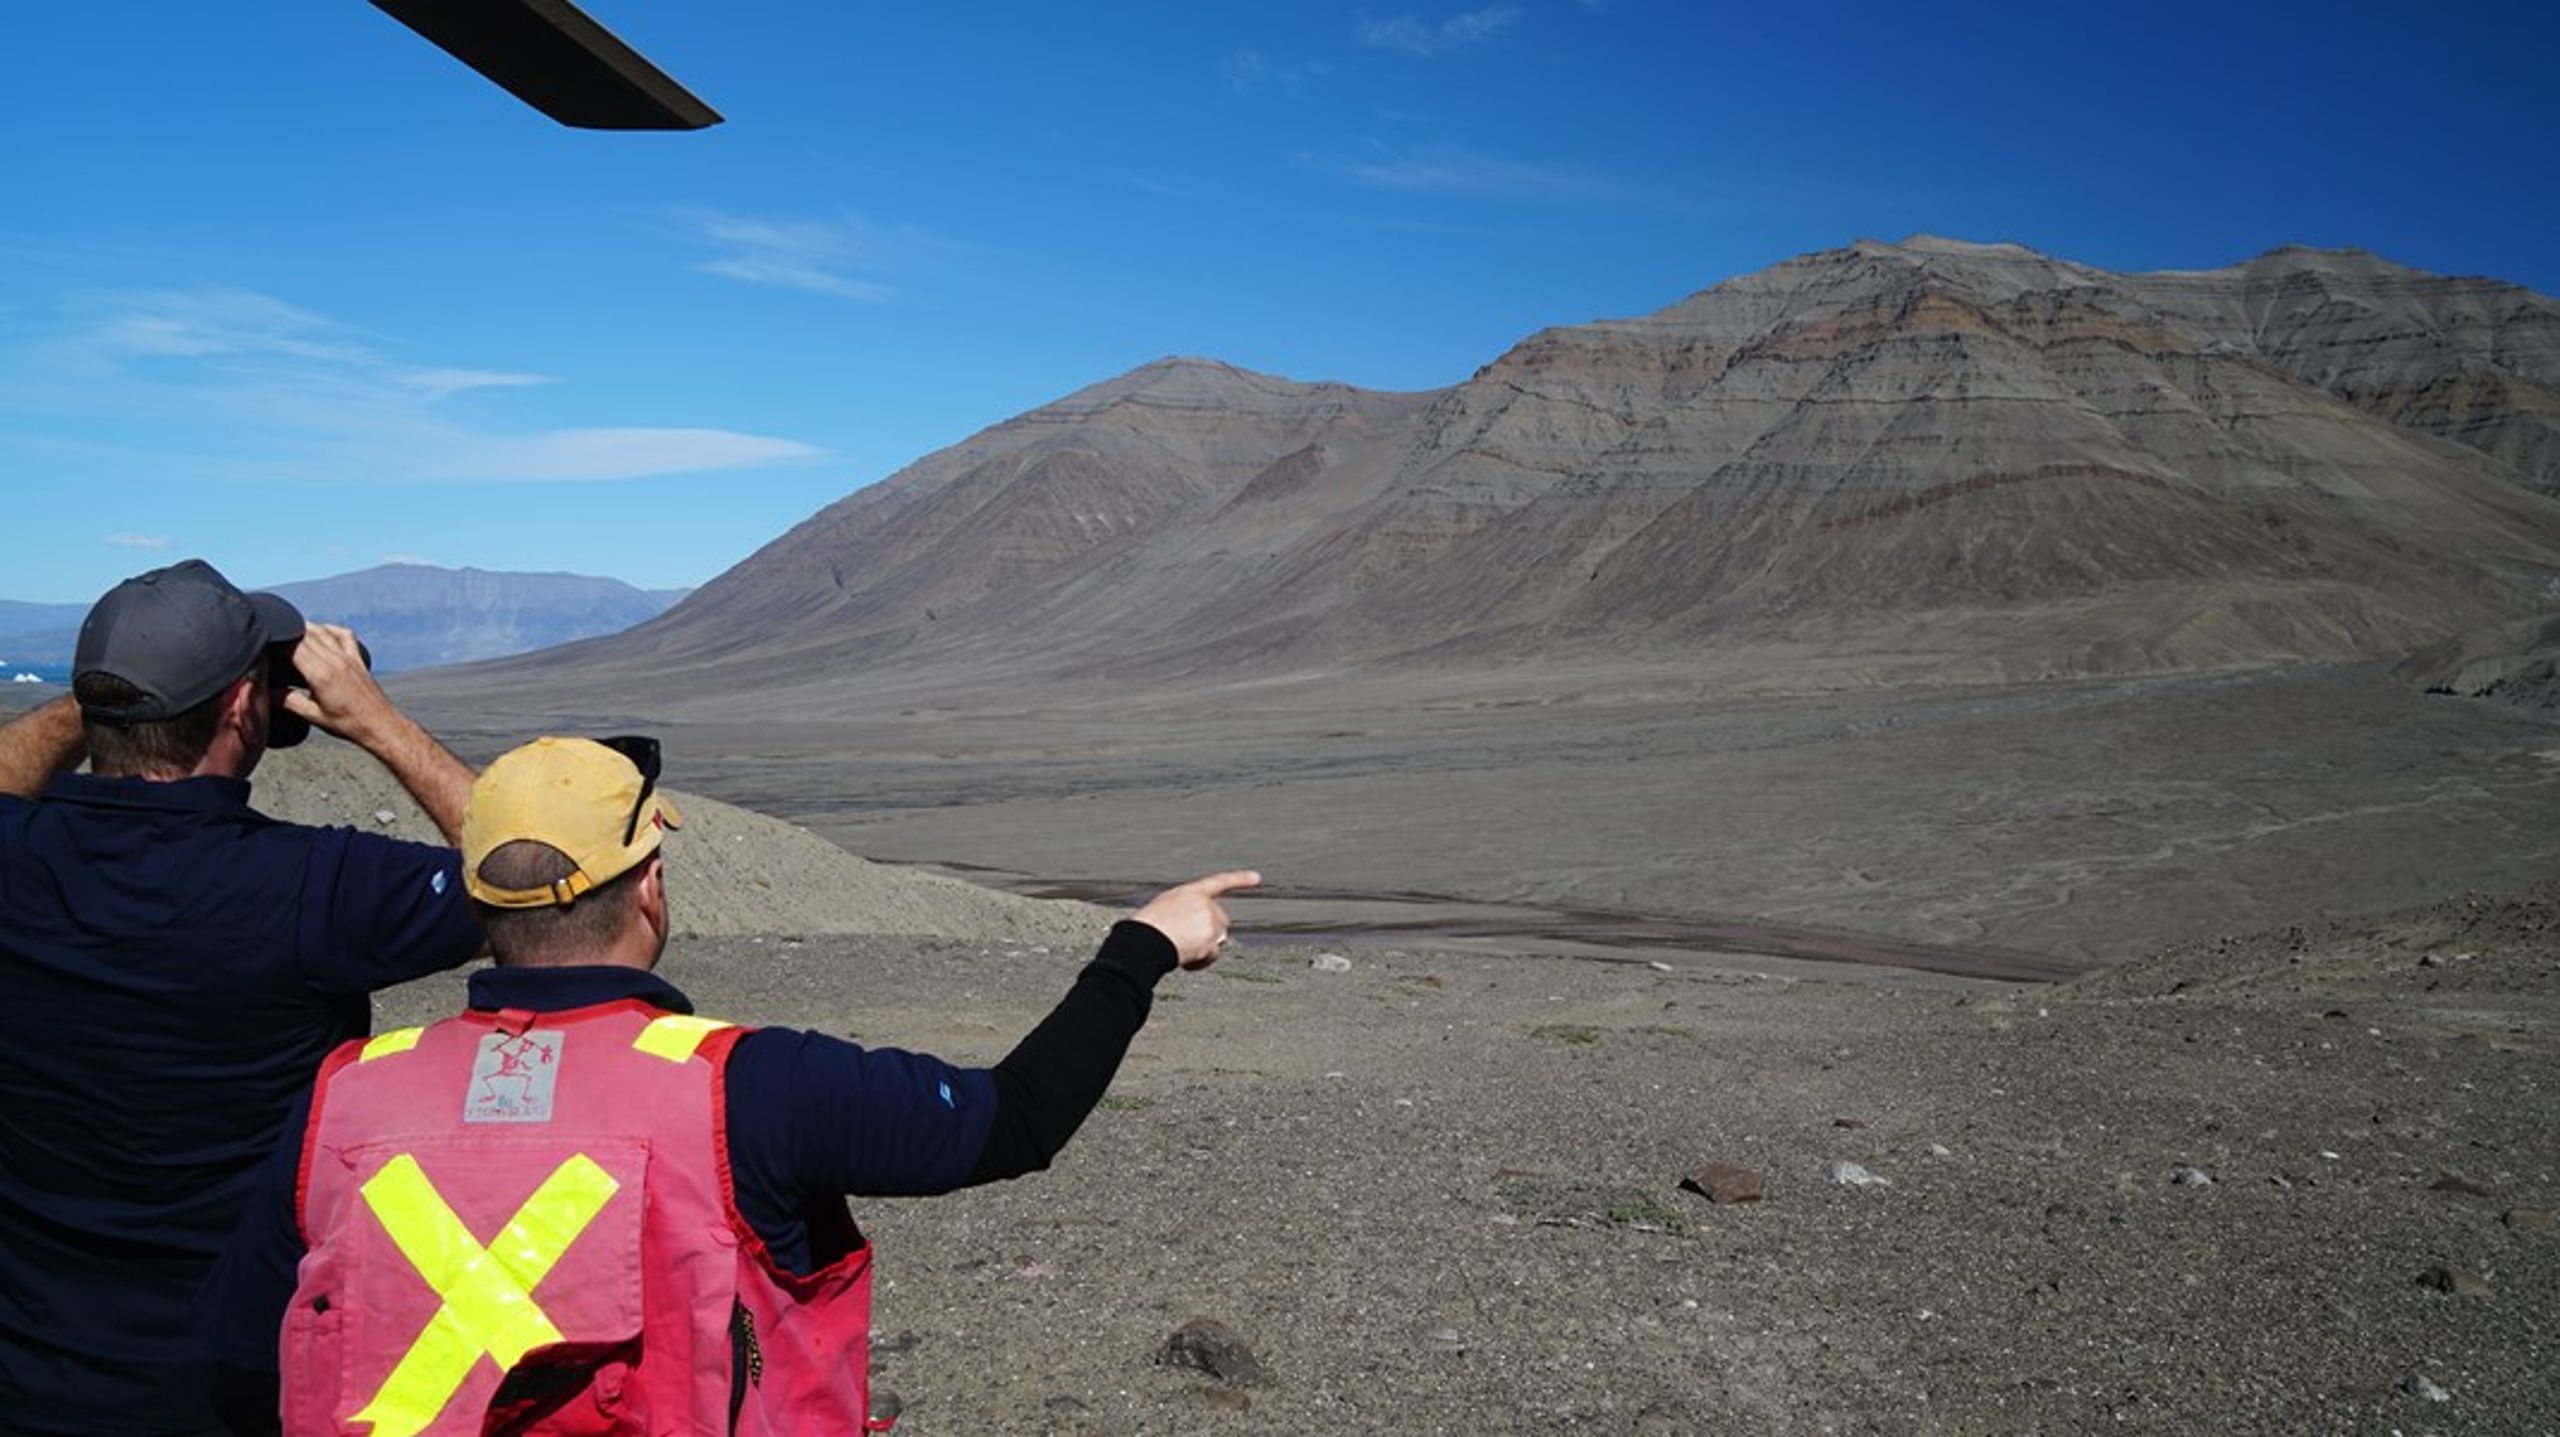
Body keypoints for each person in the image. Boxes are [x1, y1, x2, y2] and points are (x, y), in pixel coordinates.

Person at [202, 735, 1256, 1435]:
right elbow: (1012, 1121)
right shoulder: (752, 1086)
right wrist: (1141, 947)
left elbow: (251, 1366)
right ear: (650, 885)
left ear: (478, 901)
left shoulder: (344, 1096)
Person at [0, 559, 484, 1437]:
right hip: (243, 1384)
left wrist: (114, 694)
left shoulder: (17, 858)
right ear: (240, 707)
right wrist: (376, 722)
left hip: (31, 1379)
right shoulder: (314, 886)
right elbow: (541, 875)